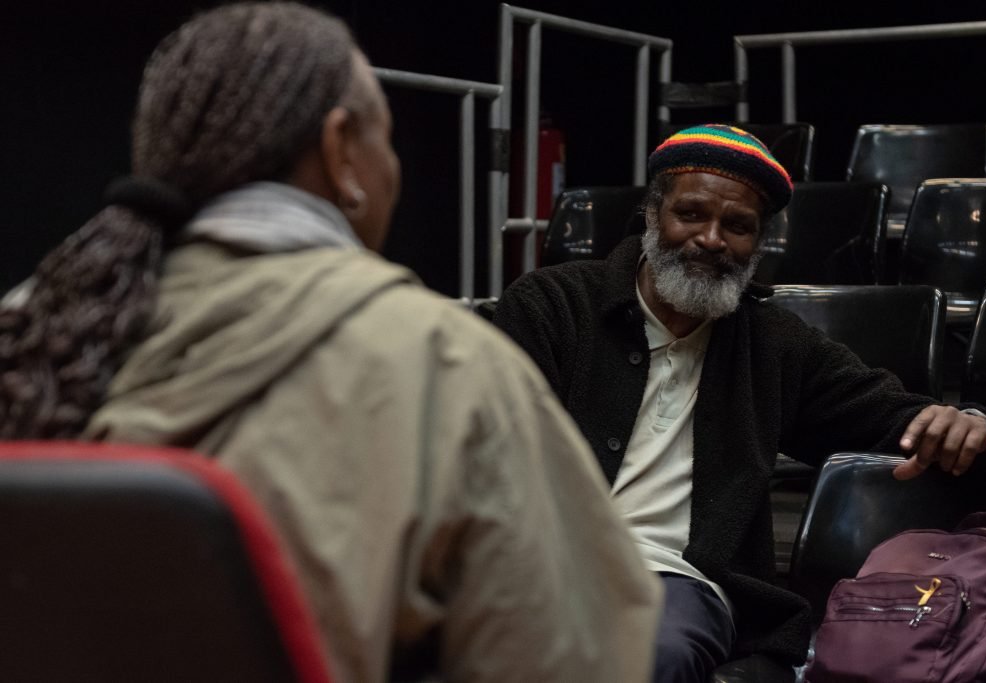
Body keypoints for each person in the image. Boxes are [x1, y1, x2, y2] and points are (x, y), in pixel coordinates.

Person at [0, 4, 662, 681]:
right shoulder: (447, 361)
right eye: (388, 138)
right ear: (343, 149)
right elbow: (577, 658)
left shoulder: (30, 324)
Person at [493, 123, 986, 681]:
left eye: (737, 226)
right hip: (543, 563)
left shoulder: (774, 343)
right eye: (690, 214)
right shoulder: (552, 306)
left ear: (758, 245)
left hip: (676, 581)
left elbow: (894, 417)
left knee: (639, 655)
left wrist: (968, 422)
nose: (711, 239)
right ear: (651, 215)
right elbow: (496, 462)